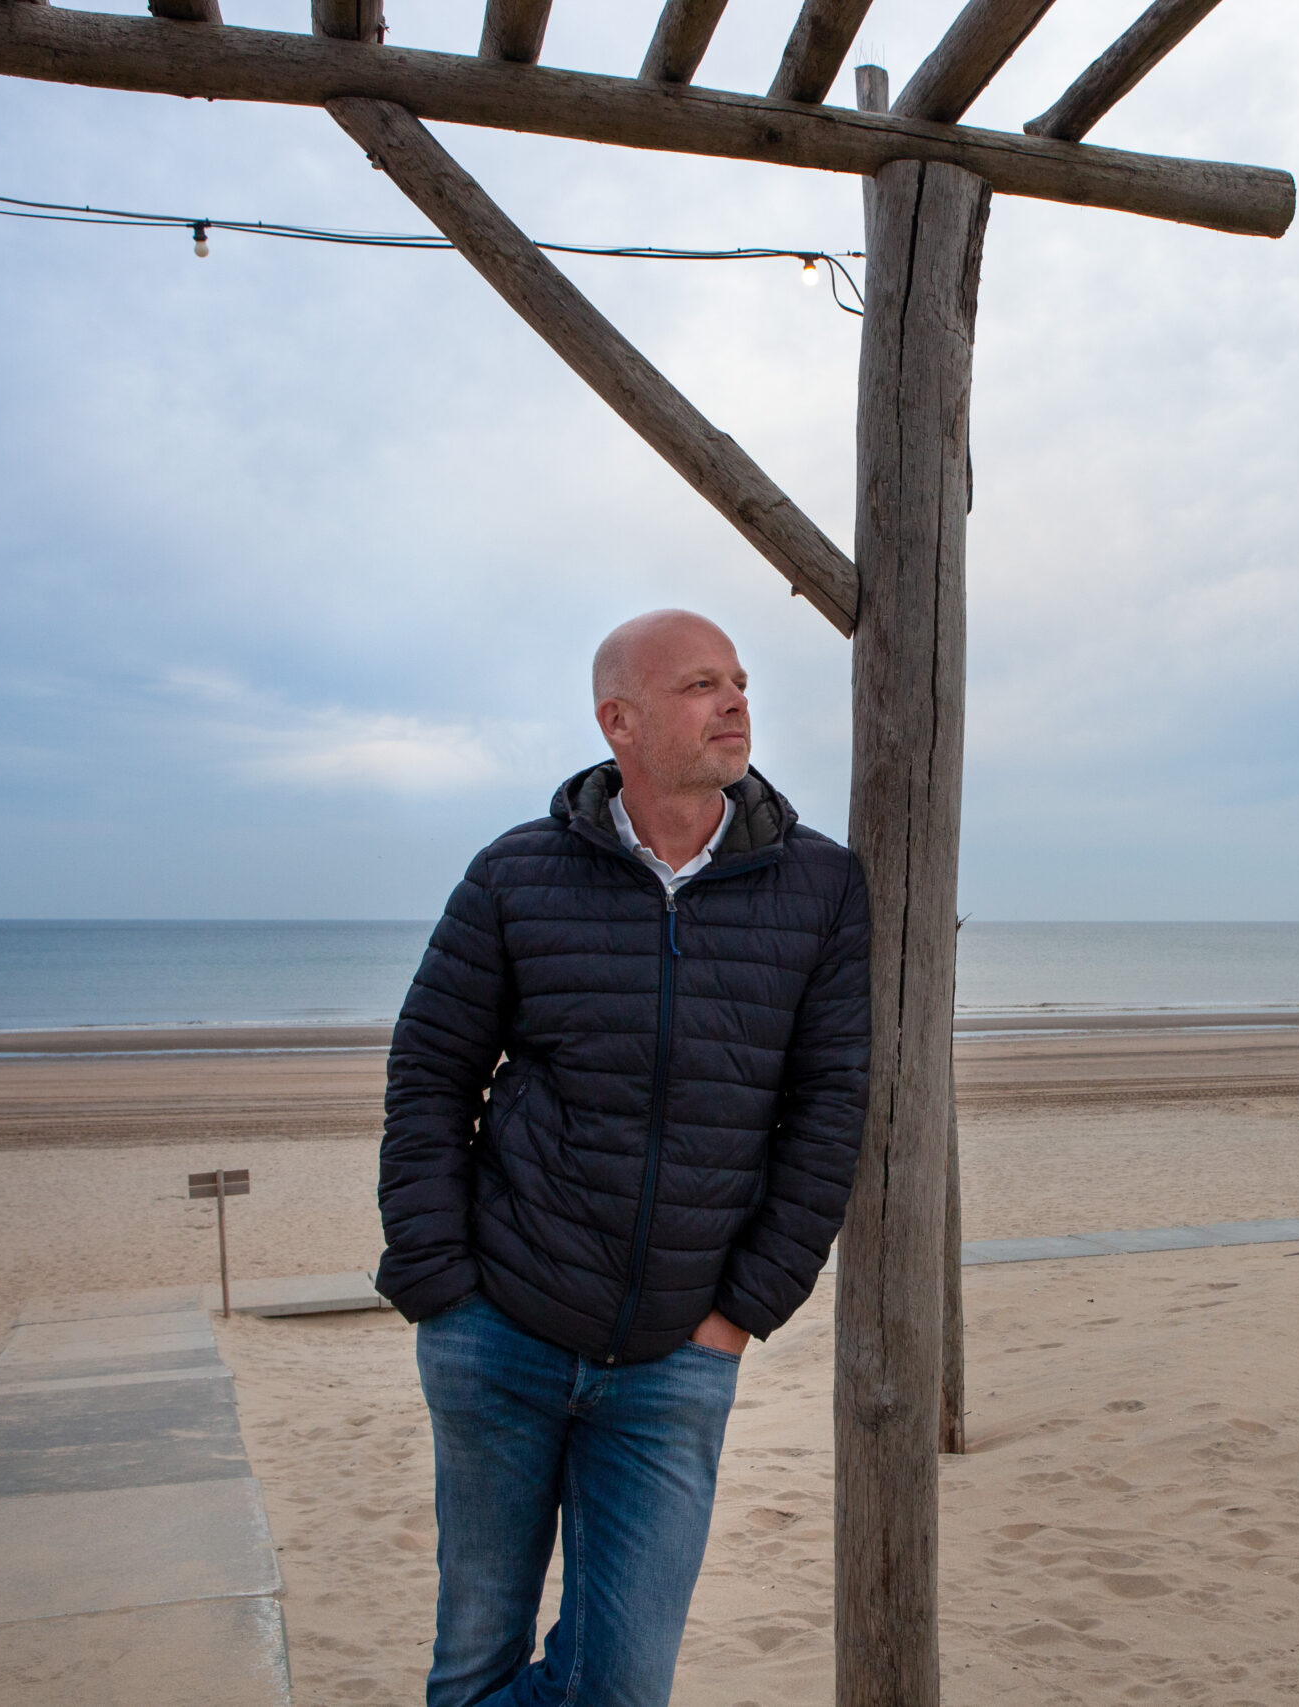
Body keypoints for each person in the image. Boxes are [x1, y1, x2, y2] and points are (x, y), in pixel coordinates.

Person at [377, 609, 872, 1707]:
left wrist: (741, 1311)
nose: (736, 702)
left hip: (674, 1359)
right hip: (496, 1334)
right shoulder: (515, 874)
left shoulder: (821, 889)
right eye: (701, 685)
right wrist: (439, 1288)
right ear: (621, 722)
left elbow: (829, 1107)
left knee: (622, 1686)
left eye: (738, 680)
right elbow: (429, 1079)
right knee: (475, 1658)